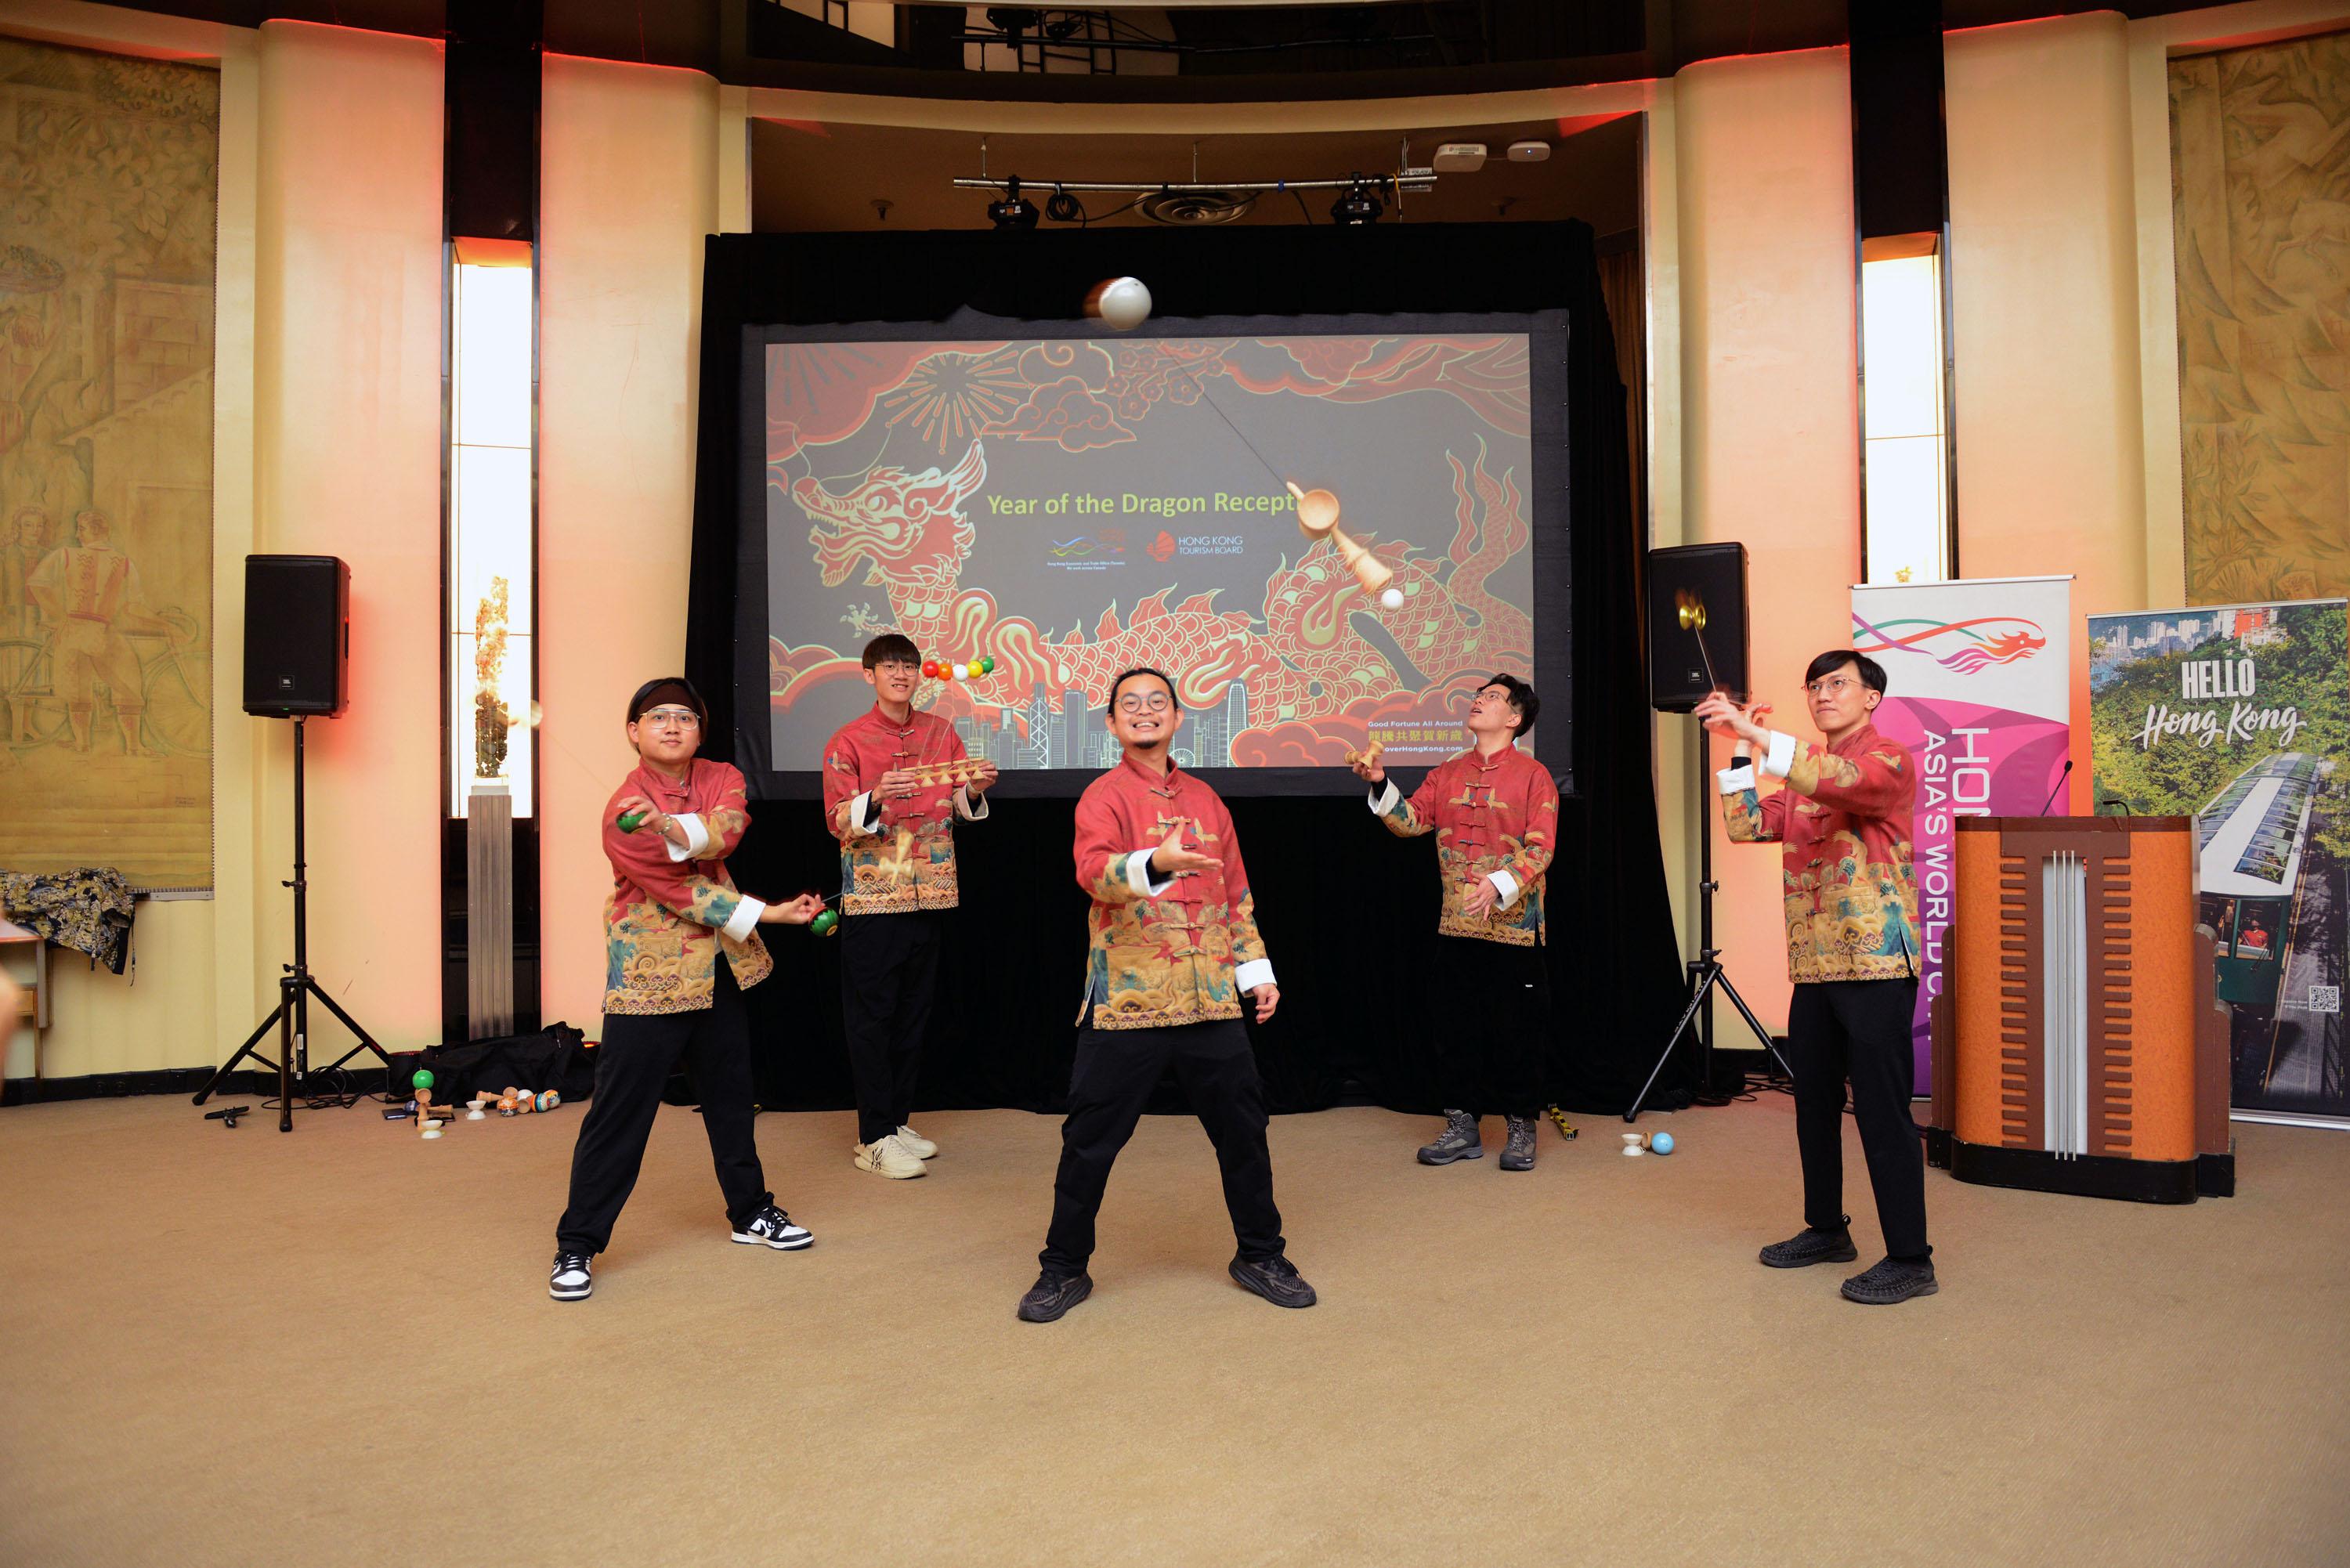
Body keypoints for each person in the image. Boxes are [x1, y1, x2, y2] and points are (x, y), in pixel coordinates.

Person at [1017, 667, 1314, 1322]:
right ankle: (1063, 1268)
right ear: (1113, 724)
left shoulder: (1210, 800)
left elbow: (1236, 892)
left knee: (1244, 1134)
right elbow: (1093, 873)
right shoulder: (1102, 797)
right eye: (1131, 705)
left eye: (1158, 703)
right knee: (1089, 1142)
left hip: (1210, 996)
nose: (1145, 712)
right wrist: (1156, 862)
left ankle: (1261, 1253)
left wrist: (1256, 972)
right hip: (1128, 1002)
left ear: (1179, 717)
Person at [550, 677, 823, 1302]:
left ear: (699, 731)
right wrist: (773, 915)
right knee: (620, 1112)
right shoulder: (620, 809)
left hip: (717, 967)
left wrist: (672, 823)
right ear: (633, 732)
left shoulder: (722, 775)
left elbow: (725, 835)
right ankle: (578, 1243)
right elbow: (681, 891)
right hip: (649, 971)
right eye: (657, 717)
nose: (672, 726)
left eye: (685, 717)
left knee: (731, 1098)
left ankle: (752, 1212)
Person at [1695, 650, 1935, 1306]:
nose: (1823, 694)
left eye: (1838, 684)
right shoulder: (1802, 778)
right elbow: (1747, 825)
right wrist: (1742, 755)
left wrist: (1757, 736)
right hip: (1816, 967)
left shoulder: (1888, 759)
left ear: (1872, 699)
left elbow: (1839, 779)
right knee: (1814, 1108)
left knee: (1884, 1115)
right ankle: (1827, 1230)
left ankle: (1912, 1259)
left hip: (1878, 962)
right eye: (1814, 686)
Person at [1351, 675, 1560, 1169]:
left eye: (1491, 697)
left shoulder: (1534, 775)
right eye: (1478, 695)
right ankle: (1462, 1126)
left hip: (1515, 929)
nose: (1478, 701)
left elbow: (1541, 849)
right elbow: (1411, 821)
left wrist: (1500, 885)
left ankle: (1519, 1127)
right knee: (1454, 1027)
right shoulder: (1446, 771)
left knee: (1517, 1030)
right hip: (1456, 926)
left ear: (1515, 718)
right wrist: (1380, 782)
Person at [820, 634, 996, 1179]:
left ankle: (894, 1121)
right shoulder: (847, 740)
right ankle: (872, 1136)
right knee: (872, 1020)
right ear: (869, 674)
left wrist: (974, 786)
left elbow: (963, 804)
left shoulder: (941, 732)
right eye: (890, 665)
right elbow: (836, 820)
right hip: (875, 898)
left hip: (932, 889)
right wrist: (876, 797)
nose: (901, 673)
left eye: (909, 666)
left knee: (914, 1015)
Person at [24, 508, 180, 755]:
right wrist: (165, 624)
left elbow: (37, 584)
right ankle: (133, 746)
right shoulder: (124, 562)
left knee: (79, 687)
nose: (77, 534)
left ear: (88, 531)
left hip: (75, 629)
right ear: (105, 533)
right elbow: (135, 607)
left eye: (80, 529)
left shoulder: (65, 555)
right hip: (103, 630)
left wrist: (60, 615)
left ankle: (83, 744)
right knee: (128, 684)